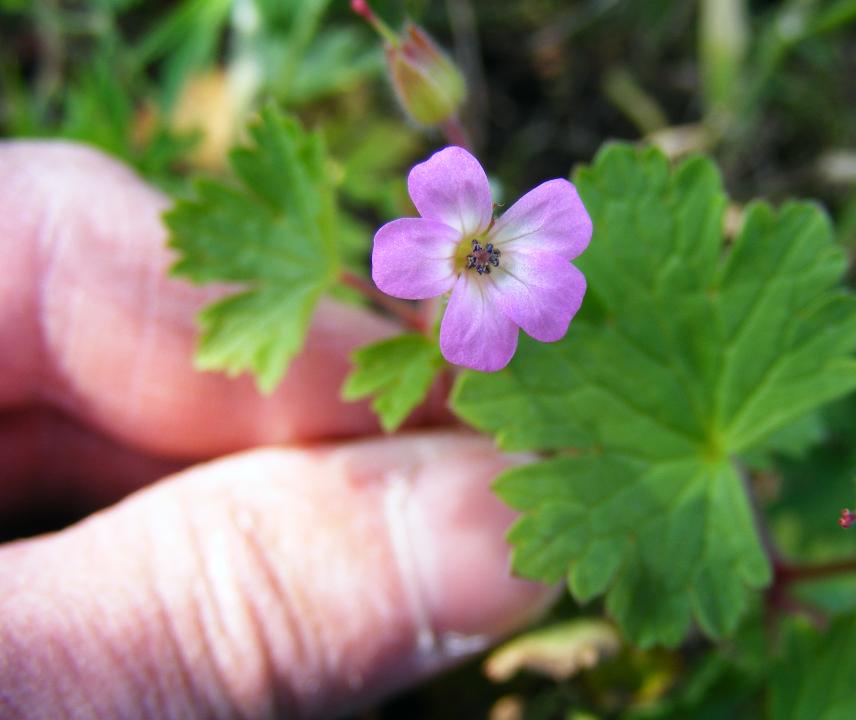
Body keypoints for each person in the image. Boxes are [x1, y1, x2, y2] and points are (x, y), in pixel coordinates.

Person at [0, 141, 553, 718]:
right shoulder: (437, 269)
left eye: (481, 251)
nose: (481, 255)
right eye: (471, 252)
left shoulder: (504, 267)